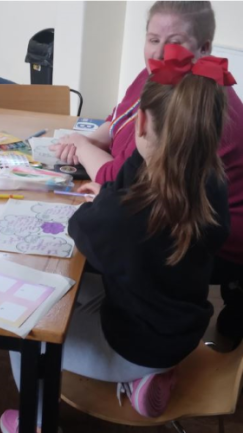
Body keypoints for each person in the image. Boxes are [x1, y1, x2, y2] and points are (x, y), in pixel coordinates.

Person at [1, 45, 233, 432]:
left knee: (20, 322)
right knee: (89, 284)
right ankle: (148, 377)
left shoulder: (122, 218)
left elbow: (81, 229)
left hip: (134, 343)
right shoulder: (213, 181)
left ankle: (36, 422)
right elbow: (126, 187)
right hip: (183, 327)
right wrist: (108, 198)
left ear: (139, 124)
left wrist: (104, 201)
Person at [52, 0, 243, 344]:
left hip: (197, 242)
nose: (159, 51)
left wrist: (84, 150)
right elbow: (120, 115)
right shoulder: (163, 78)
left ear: (204, 48)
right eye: (153, 38)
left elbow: (124, 184)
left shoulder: (197, 116)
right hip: (180, 301)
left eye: (175, 41)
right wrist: (93, 137)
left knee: (71, 277)